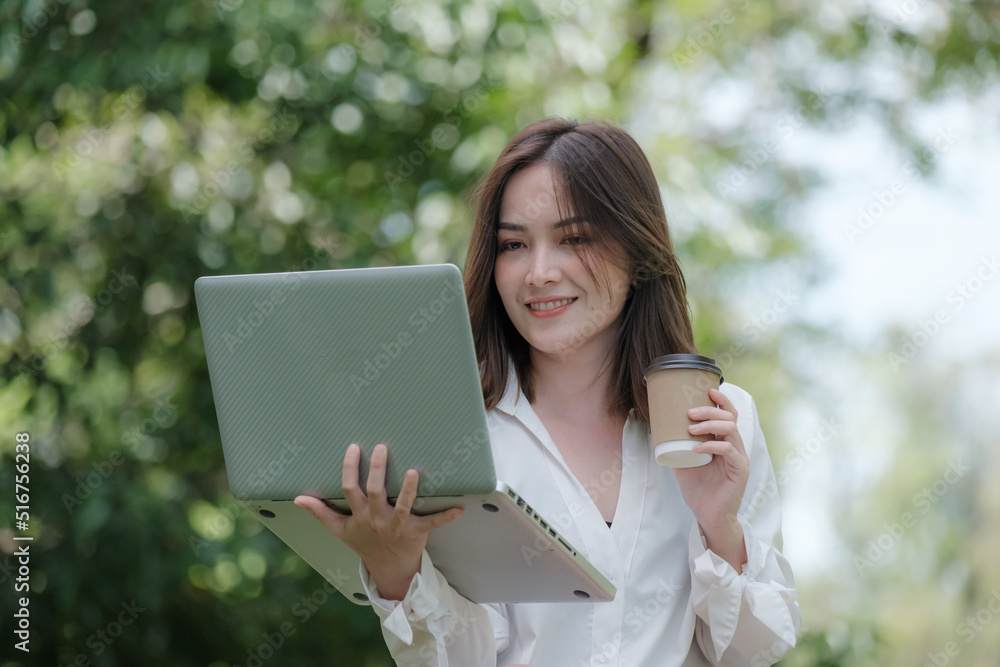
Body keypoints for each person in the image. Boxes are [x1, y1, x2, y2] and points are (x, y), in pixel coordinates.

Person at [295, 117, 801, 666]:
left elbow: (754, 653)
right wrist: (397, 573)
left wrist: (719, 526)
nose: (538, 273)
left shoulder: (718, 420)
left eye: (574, 238)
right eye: (514, 244)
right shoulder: (461, 435)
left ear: (637, 251)